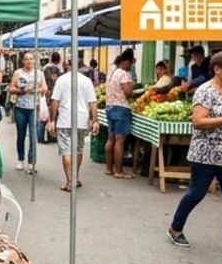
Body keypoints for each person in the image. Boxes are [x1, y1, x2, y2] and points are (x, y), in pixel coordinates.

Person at [167, 52, 222, 258]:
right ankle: (175, 228)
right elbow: (198, 121)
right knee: (196, 193)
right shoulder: (205, 91)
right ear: (217, 69)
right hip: (205, 153)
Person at [47, 60, 99, 191]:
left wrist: (52, 120)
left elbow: (55, 101)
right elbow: (92, 102)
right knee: (78, 149)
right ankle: (75, 178)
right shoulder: (87, 81)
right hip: (82, 120)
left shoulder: (61, 80)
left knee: (67, 151)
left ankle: (70, 182)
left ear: (67, 66)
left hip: (65, 120)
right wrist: (95, 120)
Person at [8, 52, 47, 173]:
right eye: (27, 59)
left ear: (34, 61)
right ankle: (20, 159)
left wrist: (35, 90)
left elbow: (44, 88)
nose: (29, 61)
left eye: (31, 59)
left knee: (33, 135)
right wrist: (22, 90)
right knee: (21, 135)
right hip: (20, 108)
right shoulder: (18, 73)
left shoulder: (39, 73)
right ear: (23, 61)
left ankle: (32, 162)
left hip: (33, 108)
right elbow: (11, 88)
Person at [104, 49, 137, 179]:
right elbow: (128, 92)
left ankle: (108, 168)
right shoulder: (124, 74)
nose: (131, 67)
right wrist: (137, 91)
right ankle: (119, 170)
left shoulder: (113, 72)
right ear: (126, 61)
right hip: (121, 108)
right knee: (120, 140)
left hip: (110, 106)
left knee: (111, 138)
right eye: (131, 63)